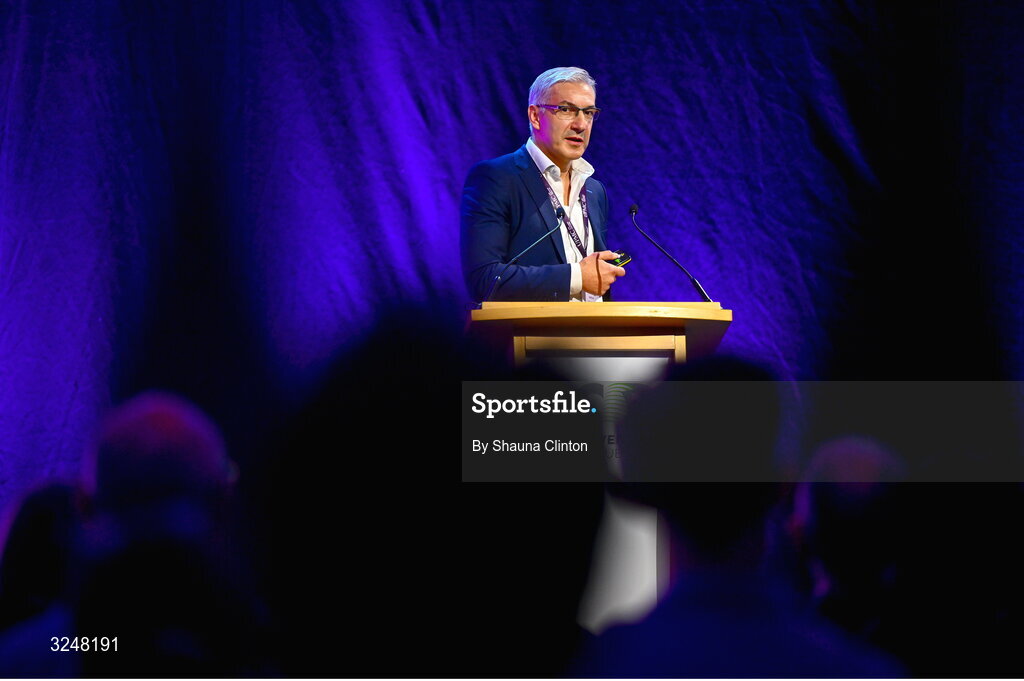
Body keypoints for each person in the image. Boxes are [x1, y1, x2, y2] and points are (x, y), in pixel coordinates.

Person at [461, 66, 625, 302]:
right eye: (566, 110)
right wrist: (577, 277)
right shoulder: (496, 178)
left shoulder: (594, 190)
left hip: (594, 334)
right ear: (535, 116)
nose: (581, 124)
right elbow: (484, 280)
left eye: (588, 113)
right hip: (533, 336)